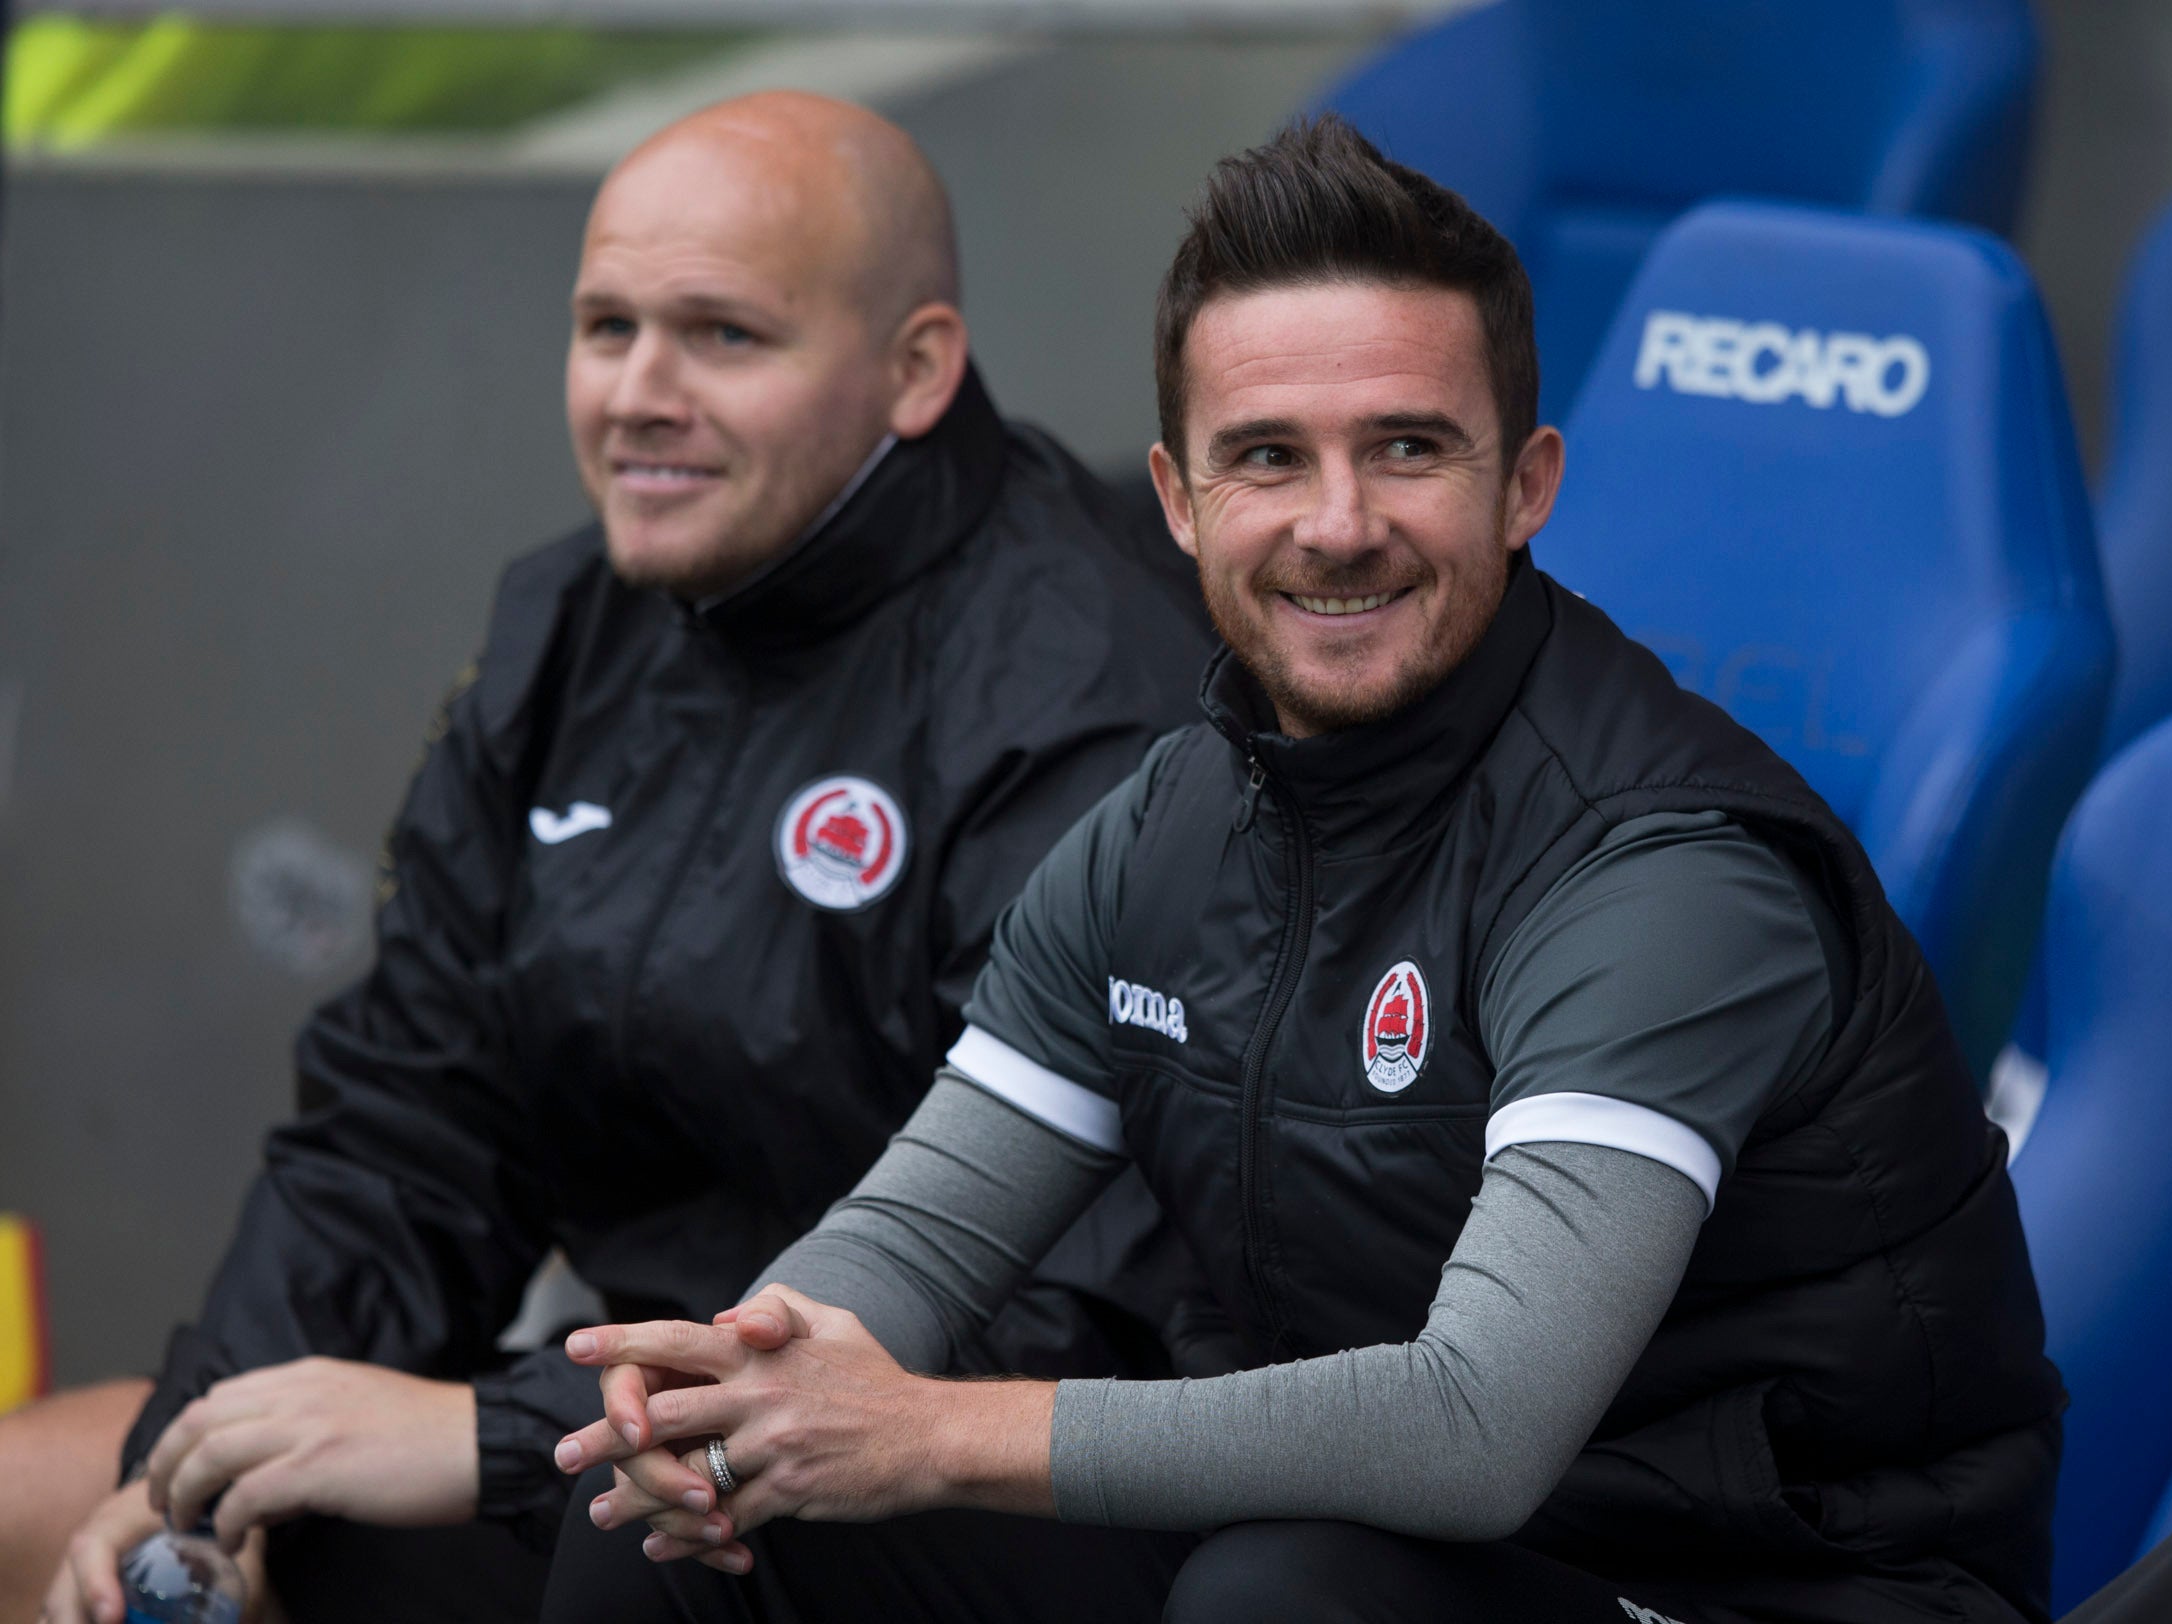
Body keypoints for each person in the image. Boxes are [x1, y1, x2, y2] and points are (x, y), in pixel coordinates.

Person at [538, 115, 2064, 1624]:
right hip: (1367, 1556)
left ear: (1524, 484)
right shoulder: (1168, 827)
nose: (1339, 526)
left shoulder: (1661, 869)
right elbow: (921, 1236)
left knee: (1286, 1593)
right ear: (1181, 500)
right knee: (688, 1541)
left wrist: (926, 1433)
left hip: (1762, 1592)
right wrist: (752, 1389)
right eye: (1268, 457)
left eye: (1407, 448)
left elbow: (1476, 1428)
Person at [12, 90, 1217, 1624]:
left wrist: (492, 1435)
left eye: (723, 337)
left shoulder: (1088, 691)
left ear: (915, 370)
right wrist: (208, 1453)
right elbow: (410, 1129)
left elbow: (1064, 1322)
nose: (639, 392)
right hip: (622, 1433)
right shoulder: (566, 630)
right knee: (64, 1506)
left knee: (625, 1548)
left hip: (943, 1493)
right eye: (606, 330)